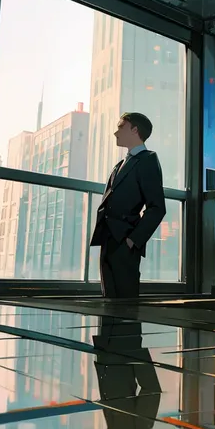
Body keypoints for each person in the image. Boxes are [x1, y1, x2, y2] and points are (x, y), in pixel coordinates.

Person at [90, 112, 166, 298]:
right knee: (109, 301)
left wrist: (133, 241)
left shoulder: (147, 160)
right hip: (109, 239)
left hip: (125, 240)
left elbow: (157, 207)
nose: (116, 133)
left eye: (120, 127)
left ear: (135, 130)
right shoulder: (120, 165)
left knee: (125, 304)